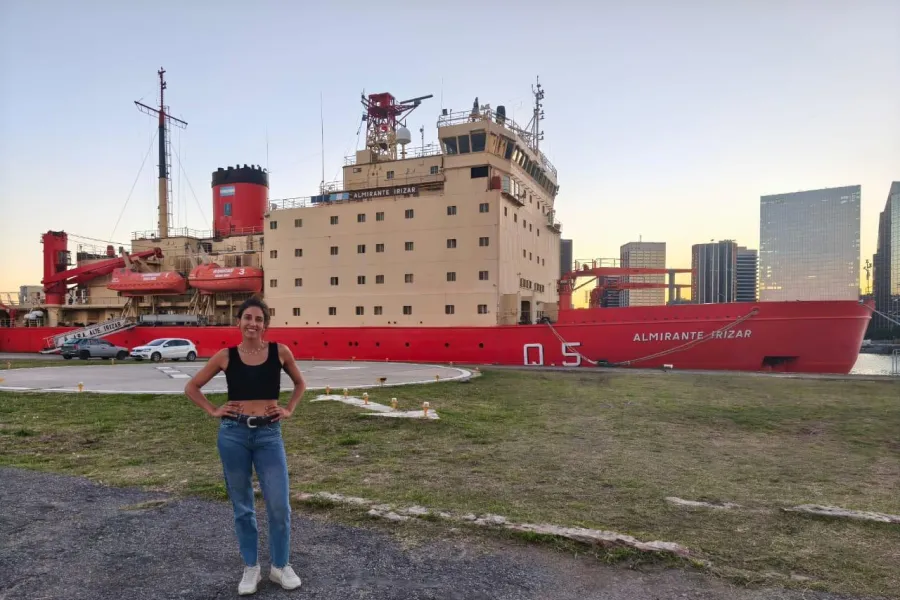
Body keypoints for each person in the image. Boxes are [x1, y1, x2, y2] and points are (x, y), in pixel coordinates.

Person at [184, 296, 306, 595]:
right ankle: (251, 567)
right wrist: (213, 410)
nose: (253, 324)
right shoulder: (226, 356)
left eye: (259, 319)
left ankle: (280, 566)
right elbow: (192, 387)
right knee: (243, 507)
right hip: (233, 435)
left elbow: (300, 384)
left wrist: (288, 409)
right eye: (247, 318)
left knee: (279, 505)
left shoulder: (280, 352)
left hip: (269, 435)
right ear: (238, 322)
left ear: (265, 325)